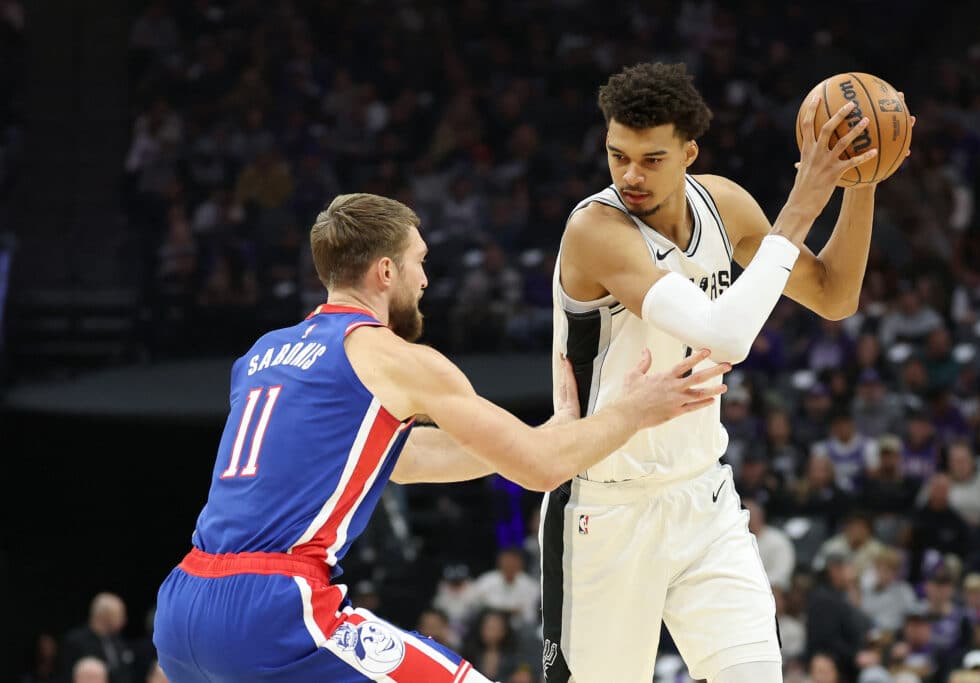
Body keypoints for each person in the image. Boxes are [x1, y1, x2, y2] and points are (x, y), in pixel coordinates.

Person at [152, 192, 730, 683]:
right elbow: (541, 470)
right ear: (385, 271)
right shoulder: (392, 357)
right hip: (275, 608)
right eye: (418, 262)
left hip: (182, 609)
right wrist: (636, 409)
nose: (425, 279)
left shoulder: (262, 355)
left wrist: (546, 432)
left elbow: (400, 461)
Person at [543, 61, 912, 683]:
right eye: (618, 155)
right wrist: (801, 204)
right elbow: (726, 334)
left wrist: (860, 180)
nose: (630, 175)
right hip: (603, 507)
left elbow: (833, 294)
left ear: (689, 152)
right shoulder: (596, 230)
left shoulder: (724, 204)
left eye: (652, 159)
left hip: (702, 496)